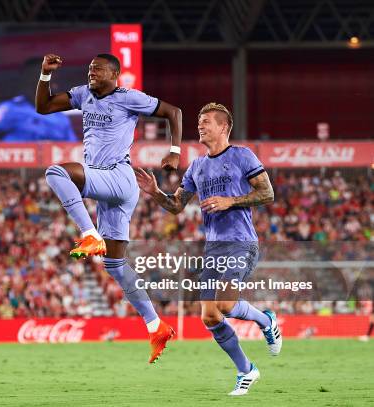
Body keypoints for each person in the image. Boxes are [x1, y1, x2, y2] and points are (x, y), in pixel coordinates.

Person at [36, 53, 182, 363]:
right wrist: (45, 76)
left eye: (97, 69)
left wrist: (174, 151)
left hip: (118, 177)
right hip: (109, 190)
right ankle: (156, 326)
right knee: (115, 265)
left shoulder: (129, 97)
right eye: (89, 68)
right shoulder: (82, 95)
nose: (91, 73)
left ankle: (89, 234)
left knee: (56, 172)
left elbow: (173, 111)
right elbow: (44, 106)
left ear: (114, 74)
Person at [135, 102, 282, 395]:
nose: (200, 126)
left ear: (224, 127)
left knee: (226, 305)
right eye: (199, 122)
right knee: (210, 316)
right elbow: (177, 206)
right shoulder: (198, 166)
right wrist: (155, 194)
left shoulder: (242, 155)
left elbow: (267, 193)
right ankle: (247, 371)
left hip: (240, 241)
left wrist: (231, 201)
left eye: (207, 122)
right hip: (214, 248)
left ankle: (266, 321)